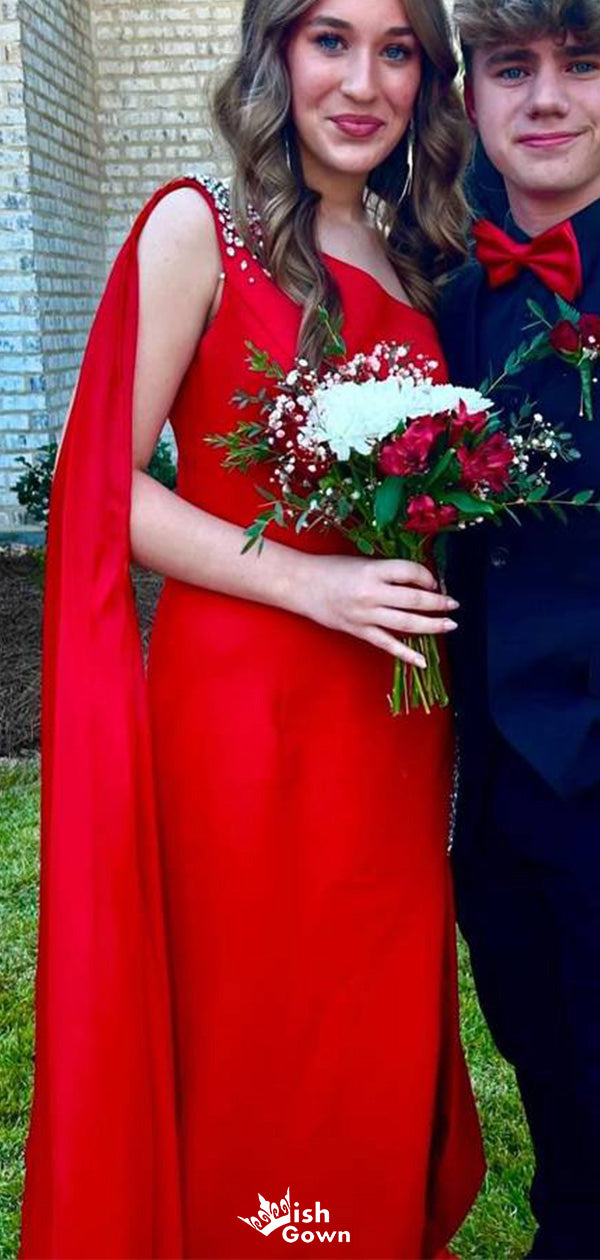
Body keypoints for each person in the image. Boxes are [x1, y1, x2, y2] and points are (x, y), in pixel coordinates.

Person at [18, 1, 485, 1256]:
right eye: (331, 40)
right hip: (243, 703)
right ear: (274, 53)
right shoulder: (195, 228)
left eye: (397, 50)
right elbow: (100, 484)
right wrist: (309, 586)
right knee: (256, 1012)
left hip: (389, 718)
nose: (364, 81)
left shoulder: (415, 257)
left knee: (368, 1007)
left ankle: (355, 1227)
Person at [439, 1, 600, 1256]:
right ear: (470, 96)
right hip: (491, 805)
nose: (545, 97)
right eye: (512, 67)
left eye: (582, 64)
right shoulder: (440, 299)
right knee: (558, 1098)